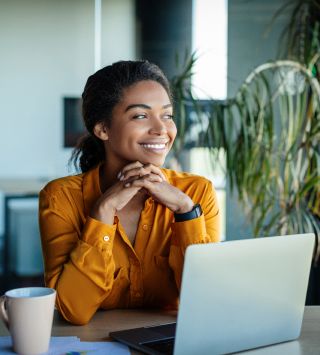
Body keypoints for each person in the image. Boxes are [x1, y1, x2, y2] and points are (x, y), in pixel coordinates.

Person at [39, 60, 220, 325]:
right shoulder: (60, 198)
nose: (161, 130)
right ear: (102, 129)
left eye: (167, 115)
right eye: (140, 115)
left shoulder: (195, 193)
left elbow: (208, 301)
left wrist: (185, 212)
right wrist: (102, 213)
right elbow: (73, 310)